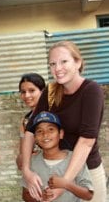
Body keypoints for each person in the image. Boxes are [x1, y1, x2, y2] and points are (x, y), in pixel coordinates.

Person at [22, 40, 106, 202]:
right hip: (55, 168)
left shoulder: (91, 91)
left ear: (78, 62)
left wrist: (65, 183)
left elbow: (86, 141)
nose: (57, 68)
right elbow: (30, 131)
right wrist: (27, 170)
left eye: (64, 61)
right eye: (52, 64)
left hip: (86, 171)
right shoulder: (50, 91)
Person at [22, 111, 93, 202]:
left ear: (61, 134)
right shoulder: (31, 162)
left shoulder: (74, 159)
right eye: (39, 131)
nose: (45, 134)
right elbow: (25, 194)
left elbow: (88, 195)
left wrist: (66, 184)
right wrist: (40, 197)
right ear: (35, 138)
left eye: (51, 129)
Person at [16, 73, 46, 170]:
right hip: (34, 172)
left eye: (32, 90)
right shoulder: (25, 121)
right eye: (23, 92)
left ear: (42, 91)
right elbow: (21, 155)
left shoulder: (51, 116)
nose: (27, 95)